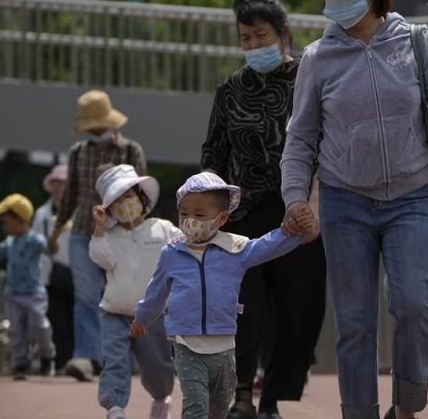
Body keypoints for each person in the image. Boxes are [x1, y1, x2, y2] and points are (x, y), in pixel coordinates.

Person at [281, 0, 428, 419]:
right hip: (344, 200)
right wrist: (296, 197)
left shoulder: (418, 43)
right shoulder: (318, 58)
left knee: (416, 306)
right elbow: (301, 138)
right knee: (355, 323)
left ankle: (407, 405)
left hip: (411, 196)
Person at [201, 0, 326, 419]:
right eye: (245, 38)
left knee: (297, 310)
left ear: (283, 33)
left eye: (260, 35)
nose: (253, 45)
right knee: (245, 308)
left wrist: (315, 202)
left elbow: (329, 144)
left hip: (301, 212)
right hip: (244, 214)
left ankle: (272, 397)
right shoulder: (231, 89)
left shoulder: (312, 80)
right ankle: (241, 396)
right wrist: (208, 208)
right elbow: (213, 152)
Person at [131, 172, 314, 419]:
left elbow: (267, 246)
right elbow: (156, 290)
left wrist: (293, 232)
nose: (189, 221)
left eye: (199, 215)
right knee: (195, 406)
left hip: (224, 345)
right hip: (187, 343)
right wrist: (142, 317)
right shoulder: (171, 253)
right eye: (184, 213)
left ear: (221, 218)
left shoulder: (235, 250)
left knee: (218, 408)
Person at [48, 90, 147, 381]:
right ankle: (87, 357)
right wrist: (55, 232)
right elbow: (69, 197)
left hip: (120, 232)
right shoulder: (78, 152)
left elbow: (141, 197)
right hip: (82, 231)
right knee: (86, 297)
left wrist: (139, 232)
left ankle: (125, 357)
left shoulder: (130, 151)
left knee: (122, 295)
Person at [89, 165, 176, 419]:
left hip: (153, 315)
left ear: (142, 197)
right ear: (109, 207)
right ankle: (115, 407)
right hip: (115, 312)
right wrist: (99, 229)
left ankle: (161, 397)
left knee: (157, 365)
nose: (125, 204)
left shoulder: (162, 229)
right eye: (117, 200)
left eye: (129, 196)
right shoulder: (109, 236)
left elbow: (185, 249)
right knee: (114, 361)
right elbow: (100, 258)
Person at [0, 193, 56, 379]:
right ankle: (20, 364)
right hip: (13, 294)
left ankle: (47, 356)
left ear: (20, 220)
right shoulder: (10, 243)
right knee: (16, 330)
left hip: (33, 293)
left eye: (6, 222)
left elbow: (48, 248)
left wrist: (52, 243)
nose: (4, 226)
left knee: (40, 325)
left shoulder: (33, 240)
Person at [32, 164, 75, 372]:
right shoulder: (42, 214)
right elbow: (36, 244)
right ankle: (60, 363)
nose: (60, 189)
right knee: (56, 321)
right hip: (51, 275)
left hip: (77, 273)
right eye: (57, 184)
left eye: (64, 184)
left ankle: (74, 361)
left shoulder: (79, 213)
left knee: (76, 319)